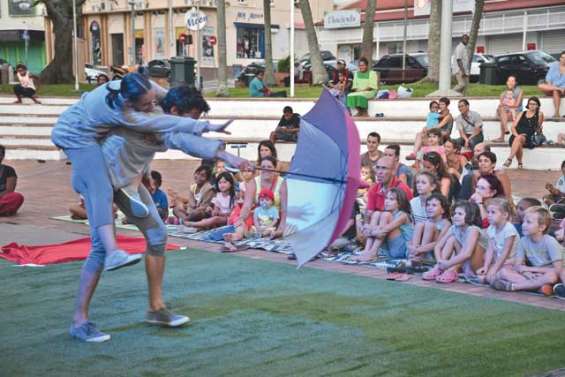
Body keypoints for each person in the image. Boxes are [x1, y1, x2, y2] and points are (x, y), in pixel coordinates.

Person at [492, 207, 563, 296]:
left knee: (551, 276)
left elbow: (558, 269)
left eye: (528, 222)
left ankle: (514, 286)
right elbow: (518, 265)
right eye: (523, 222)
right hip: (536, 275)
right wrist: (527, 273)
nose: (523, 225)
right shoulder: (523, 241)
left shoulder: (549, 241)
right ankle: (540, 288)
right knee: (504, 272)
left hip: (554, 274)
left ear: (541, 227)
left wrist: (529, 269)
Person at [224, 156, 288, 247]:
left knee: (273, 230)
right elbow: (247, 206)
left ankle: (272, 233)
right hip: (257, 218)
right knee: (242, 218)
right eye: (263, 167)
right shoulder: (253, 182)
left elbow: (284, 209)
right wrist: (242, 218)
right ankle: (237, 235)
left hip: (274, 219)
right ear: (259, 168)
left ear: (275, 168)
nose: (266, 169)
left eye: (269, 167)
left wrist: (281, 228)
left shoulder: (282, 183)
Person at [423, 201, 486, 283]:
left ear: (470, 215)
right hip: (463, 262)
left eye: (460, 214)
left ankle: (452, 270)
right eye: (455, 213)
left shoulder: (473, 229)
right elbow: (438, 246)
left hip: (477, 266)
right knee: (452, 239)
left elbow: (467, 253)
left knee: (472, 245)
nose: (456, 216)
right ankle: (438, 269)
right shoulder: (454, 228)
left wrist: (448, 264)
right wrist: (440, 262)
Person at [356, 188, 413, 262]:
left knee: (386, 215)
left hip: (400, 249)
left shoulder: (403, 215)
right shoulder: (386, 214)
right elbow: (378, 230)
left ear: (399, 203)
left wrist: (369, 231)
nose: (387, 201)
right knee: (376, 214)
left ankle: (373, 252)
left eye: (391, 199)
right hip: (388, 248)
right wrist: (369, 228)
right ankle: (367, 251)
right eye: (386, 198)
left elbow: (384, 231)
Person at [476, 198, 518, 285]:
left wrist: (494, 269)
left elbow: (505, 253)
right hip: (499, 261)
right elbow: (490, 250)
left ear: (505, 215)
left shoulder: (509, 229)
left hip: (511, 261)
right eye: (488, 212)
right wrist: (486, 267)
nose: (489, 215)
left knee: (490, 277)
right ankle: (498, 280)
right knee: (480, 276)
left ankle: (517, 282)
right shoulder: (491, 228)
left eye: (493, 212)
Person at [408, 193, 451, 264]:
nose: (430, 207)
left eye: (434, 205)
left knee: (429, 225)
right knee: (419, 225)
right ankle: (414, 256)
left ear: (443, 210)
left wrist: (419, 250)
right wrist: (412, 247)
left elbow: (439, 243)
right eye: (428, 205)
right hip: (417, 250)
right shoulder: (425, 222)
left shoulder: (446, 224)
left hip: (434, 253)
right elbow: (411, 240)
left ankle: (420, 256)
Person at [503, 96, 545, 169]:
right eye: (530, 104)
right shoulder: (522, 113)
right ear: (528, 105)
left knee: (519, 139)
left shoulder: (540, 114)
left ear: (538, 105)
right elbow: (513, 127)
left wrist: (539, 130)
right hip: (516, 134)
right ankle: (519, 163)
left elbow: (537, 129)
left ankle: (510, 159)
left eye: (534, 104)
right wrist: (516, 135)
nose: (532, 106)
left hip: (529, 136)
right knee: (518, 139)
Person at [494, 76, 523, 142]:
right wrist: (505, 105)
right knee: (501, 110)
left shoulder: (519, 91)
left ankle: (502, 137)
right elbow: (501, 103)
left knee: (503, 115)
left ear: (515, 83)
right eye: (509, 81)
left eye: (512, 81)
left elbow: (517, 105)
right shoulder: (503, 92)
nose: (510, 83)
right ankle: (506, 129)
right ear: (507, 82)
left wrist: (507, 105)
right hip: (505, 111)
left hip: (515, 111)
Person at [537, 50, 565, 118]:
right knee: (540, 85)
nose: (564, 60)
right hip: (552, 88)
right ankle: (557, 89)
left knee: (555, 91)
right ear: (560, 58)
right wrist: (553, 87)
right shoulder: (554, 65)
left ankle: (556, 113)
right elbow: (548, 79)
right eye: (562, 57)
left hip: (563, 90)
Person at [0, 145, 24, 216]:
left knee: (17, 197)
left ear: (3, 156)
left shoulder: (9, 170)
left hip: (2, 199)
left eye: (0, 154)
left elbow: (9, 191)